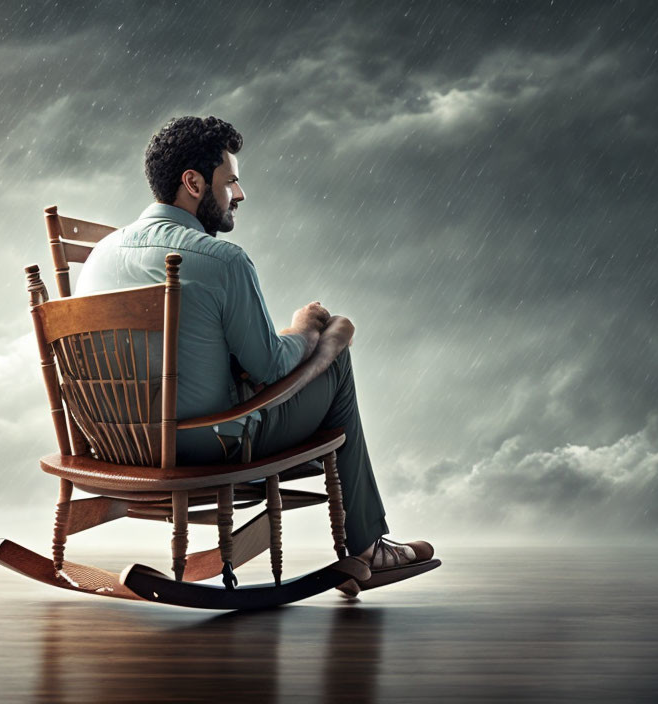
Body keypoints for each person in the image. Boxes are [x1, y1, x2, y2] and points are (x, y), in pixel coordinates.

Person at [75, 115, 435, 594]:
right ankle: (366, 545)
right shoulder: (221, 259)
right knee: (337, 357)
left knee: (311, 345)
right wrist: (309, 330)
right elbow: (269, 368)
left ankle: (359, 538)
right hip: (202, 444)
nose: (239, 195)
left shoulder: (100, 255)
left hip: (115, 442)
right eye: (232, 181)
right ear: (193, 183)